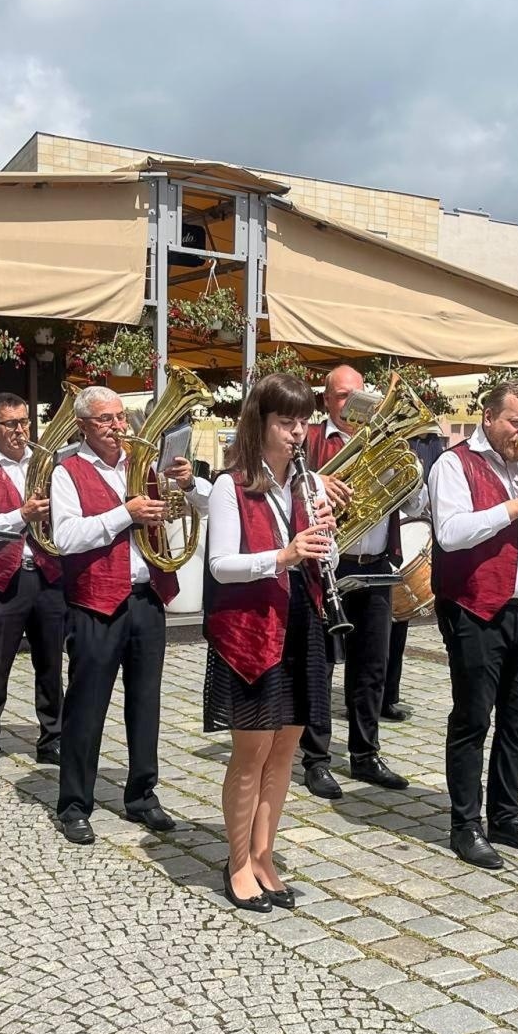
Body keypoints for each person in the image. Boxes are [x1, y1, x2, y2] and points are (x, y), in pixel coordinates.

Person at [48, 384, 209, 844]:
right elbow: (67, 538)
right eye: (106, 419)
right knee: (86, 706)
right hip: (96, 603)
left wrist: (187, 484)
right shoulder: (67, 472)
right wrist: (126, 513)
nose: (119, 427)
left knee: (145, 702)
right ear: (83, 425)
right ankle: (74, 804)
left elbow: (199, 507)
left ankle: (142, 795)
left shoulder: (144, 465)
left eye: (121, 417)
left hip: (146, 597)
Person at [203, 373, 337, 911]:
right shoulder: (230, 485)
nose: (297, 432)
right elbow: (221, 565)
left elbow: (325, 556)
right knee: (252, 751)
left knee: (285, 750)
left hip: (302, 619)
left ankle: (264, 855)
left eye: (303, 421)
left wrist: (326, 541)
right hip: (252, 628)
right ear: (260, 423)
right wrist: (283, 555)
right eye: (286, 422)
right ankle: (237, 863)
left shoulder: (311, 484)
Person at [428, 379, 518, 869]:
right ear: (488, 418)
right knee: (472, 719)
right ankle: (465, 825)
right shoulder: (453, 464)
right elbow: (451, 533)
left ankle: (506, 815)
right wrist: (514, 507)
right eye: (516, 423)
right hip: (476, 608)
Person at [298, 366, 425, 798]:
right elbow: (281, 487)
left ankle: (365, 753)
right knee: (320, 665)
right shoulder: (310, 441)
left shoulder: (384, 441)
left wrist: (408, 478)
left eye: (358, 395)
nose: (352, 404)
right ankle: (316, 760)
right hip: (325, 568)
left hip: (376, 565)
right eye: (341, 396)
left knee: (371, 666)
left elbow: (415, 504)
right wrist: (316, 482)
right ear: (326, 400)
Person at [0, 391, 67, 782]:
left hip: (48, 575)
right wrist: (21, 515)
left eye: (24, 422)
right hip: (2, 577)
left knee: (51, 664)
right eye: (11, 424)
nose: (20, 430)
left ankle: (52, 738)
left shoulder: (48, 463)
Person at [382, 426, 447, 723]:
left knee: (397, 627)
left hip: (401, 539)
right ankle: (362, 697)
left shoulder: (428, 444)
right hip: (375, 541)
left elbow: (418, 502)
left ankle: (388, 696)